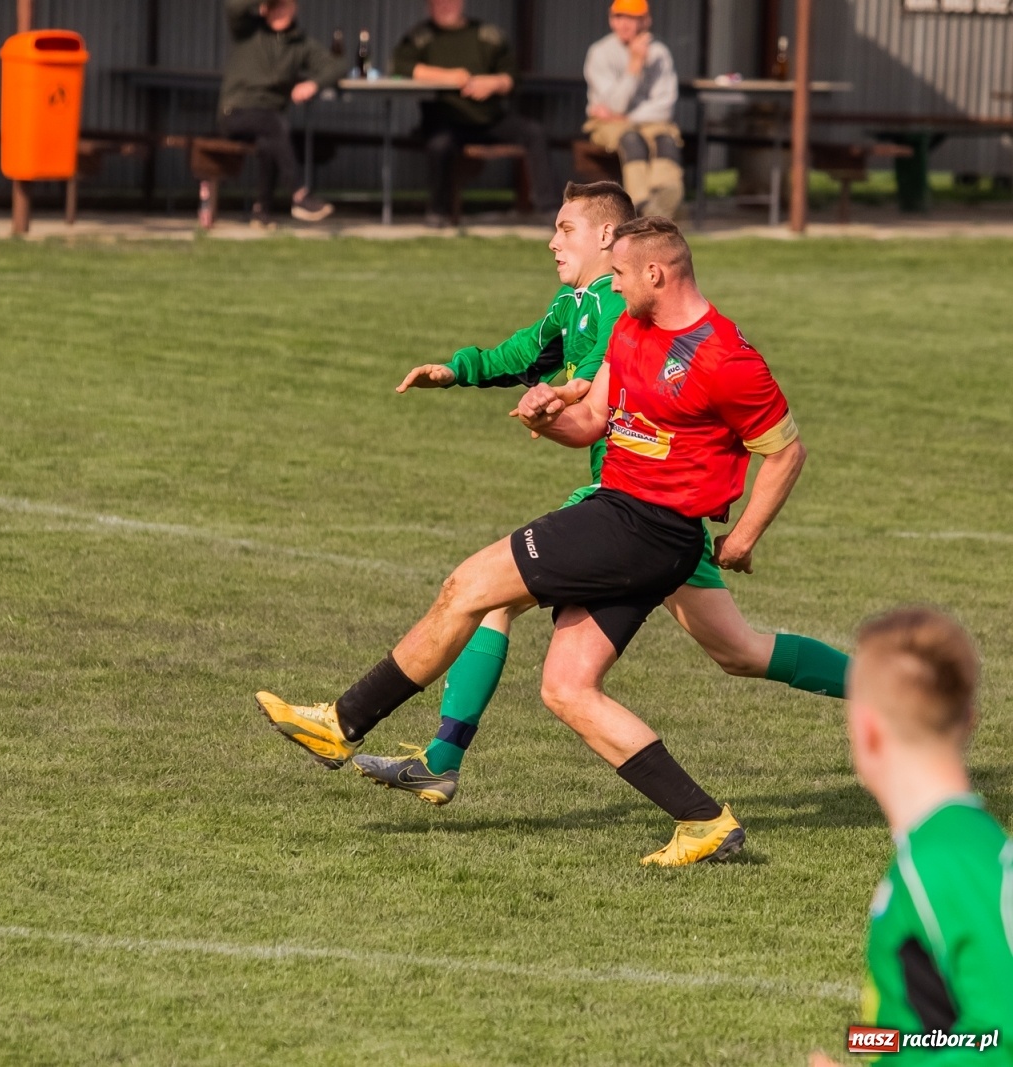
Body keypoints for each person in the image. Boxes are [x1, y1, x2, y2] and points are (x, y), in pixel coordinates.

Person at [258, 216, 807, 867]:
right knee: (568, 688)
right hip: (625, 517)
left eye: (623, 274)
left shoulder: (725, 355)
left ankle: (341, 724)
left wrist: (742, 537)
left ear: (656, 273)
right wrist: (546, 417)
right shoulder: (632, 328)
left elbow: (785, 452)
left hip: (644, 525)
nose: (615, 285)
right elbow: (594, 421)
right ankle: (704, 821)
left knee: (468, 586)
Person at [352, 180, 848, 807]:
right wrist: (501, 390)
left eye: (565, 229)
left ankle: (436, 756)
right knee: (737, 652)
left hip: (635, 510)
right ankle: (878, 694)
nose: (553, 241)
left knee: (488, 597)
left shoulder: (682, 337)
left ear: (626, 252)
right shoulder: (596, 309)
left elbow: (780, 448)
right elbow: (558, 381)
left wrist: (743, 534)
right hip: (635, 505)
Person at [808, 608, 1013, 1066]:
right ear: (969, 720)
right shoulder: (939, 848)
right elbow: (942, 1033)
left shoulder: (945, 862)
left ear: (868, 732)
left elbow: (1000, 1043)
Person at [392, 0, 556, 227]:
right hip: (446, 120)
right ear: (428, 6)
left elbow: (513, 76)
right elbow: (400, 67)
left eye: (450, 2)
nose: (444, 6)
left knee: (534, 132)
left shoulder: (487, 34)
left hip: (489, 119)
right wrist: (449, 77)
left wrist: (494, 83)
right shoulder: (419, 36)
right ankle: (438, 212)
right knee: (439, 145)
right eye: (438, 3)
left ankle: (549, 209)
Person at [219, 0, 347, 226]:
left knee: (269, 141)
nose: (279, 12)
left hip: (269, 119)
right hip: (235, 112)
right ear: (264, 8)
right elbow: (233, 6)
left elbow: (337, 66)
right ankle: (298, 195)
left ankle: (262, 212)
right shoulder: (248, 30)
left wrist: (313, 84)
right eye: (274, 6)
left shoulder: (301, 43)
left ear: (294, 8)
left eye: (284, 5)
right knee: (275, 125)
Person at [583, 0, 683, 218]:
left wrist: (627, 116)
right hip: (607, 124)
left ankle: (665, 202)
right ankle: (639, 206)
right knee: (631, 139)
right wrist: (634, 66)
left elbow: (664, 106)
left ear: (646, 21)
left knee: (666, 140)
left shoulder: (659, 53)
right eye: (618, 17)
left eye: (632, 18)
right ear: (611, 19)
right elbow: (613, 106)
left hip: (646, 122)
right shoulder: (600, 52)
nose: (624, 24)